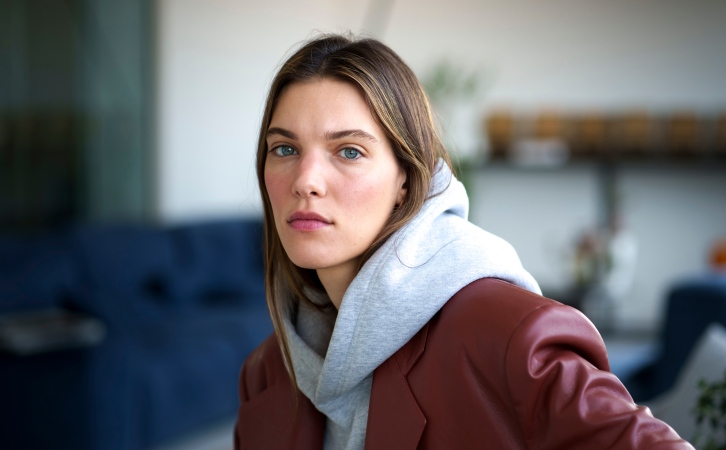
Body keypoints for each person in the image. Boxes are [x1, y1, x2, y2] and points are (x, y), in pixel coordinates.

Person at [235, 33, 693, 450]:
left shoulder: (507, 336)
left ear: (406, 181)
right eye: (285, 149)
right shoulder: (268, 373)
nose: (306, 181)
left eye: (349, 151)